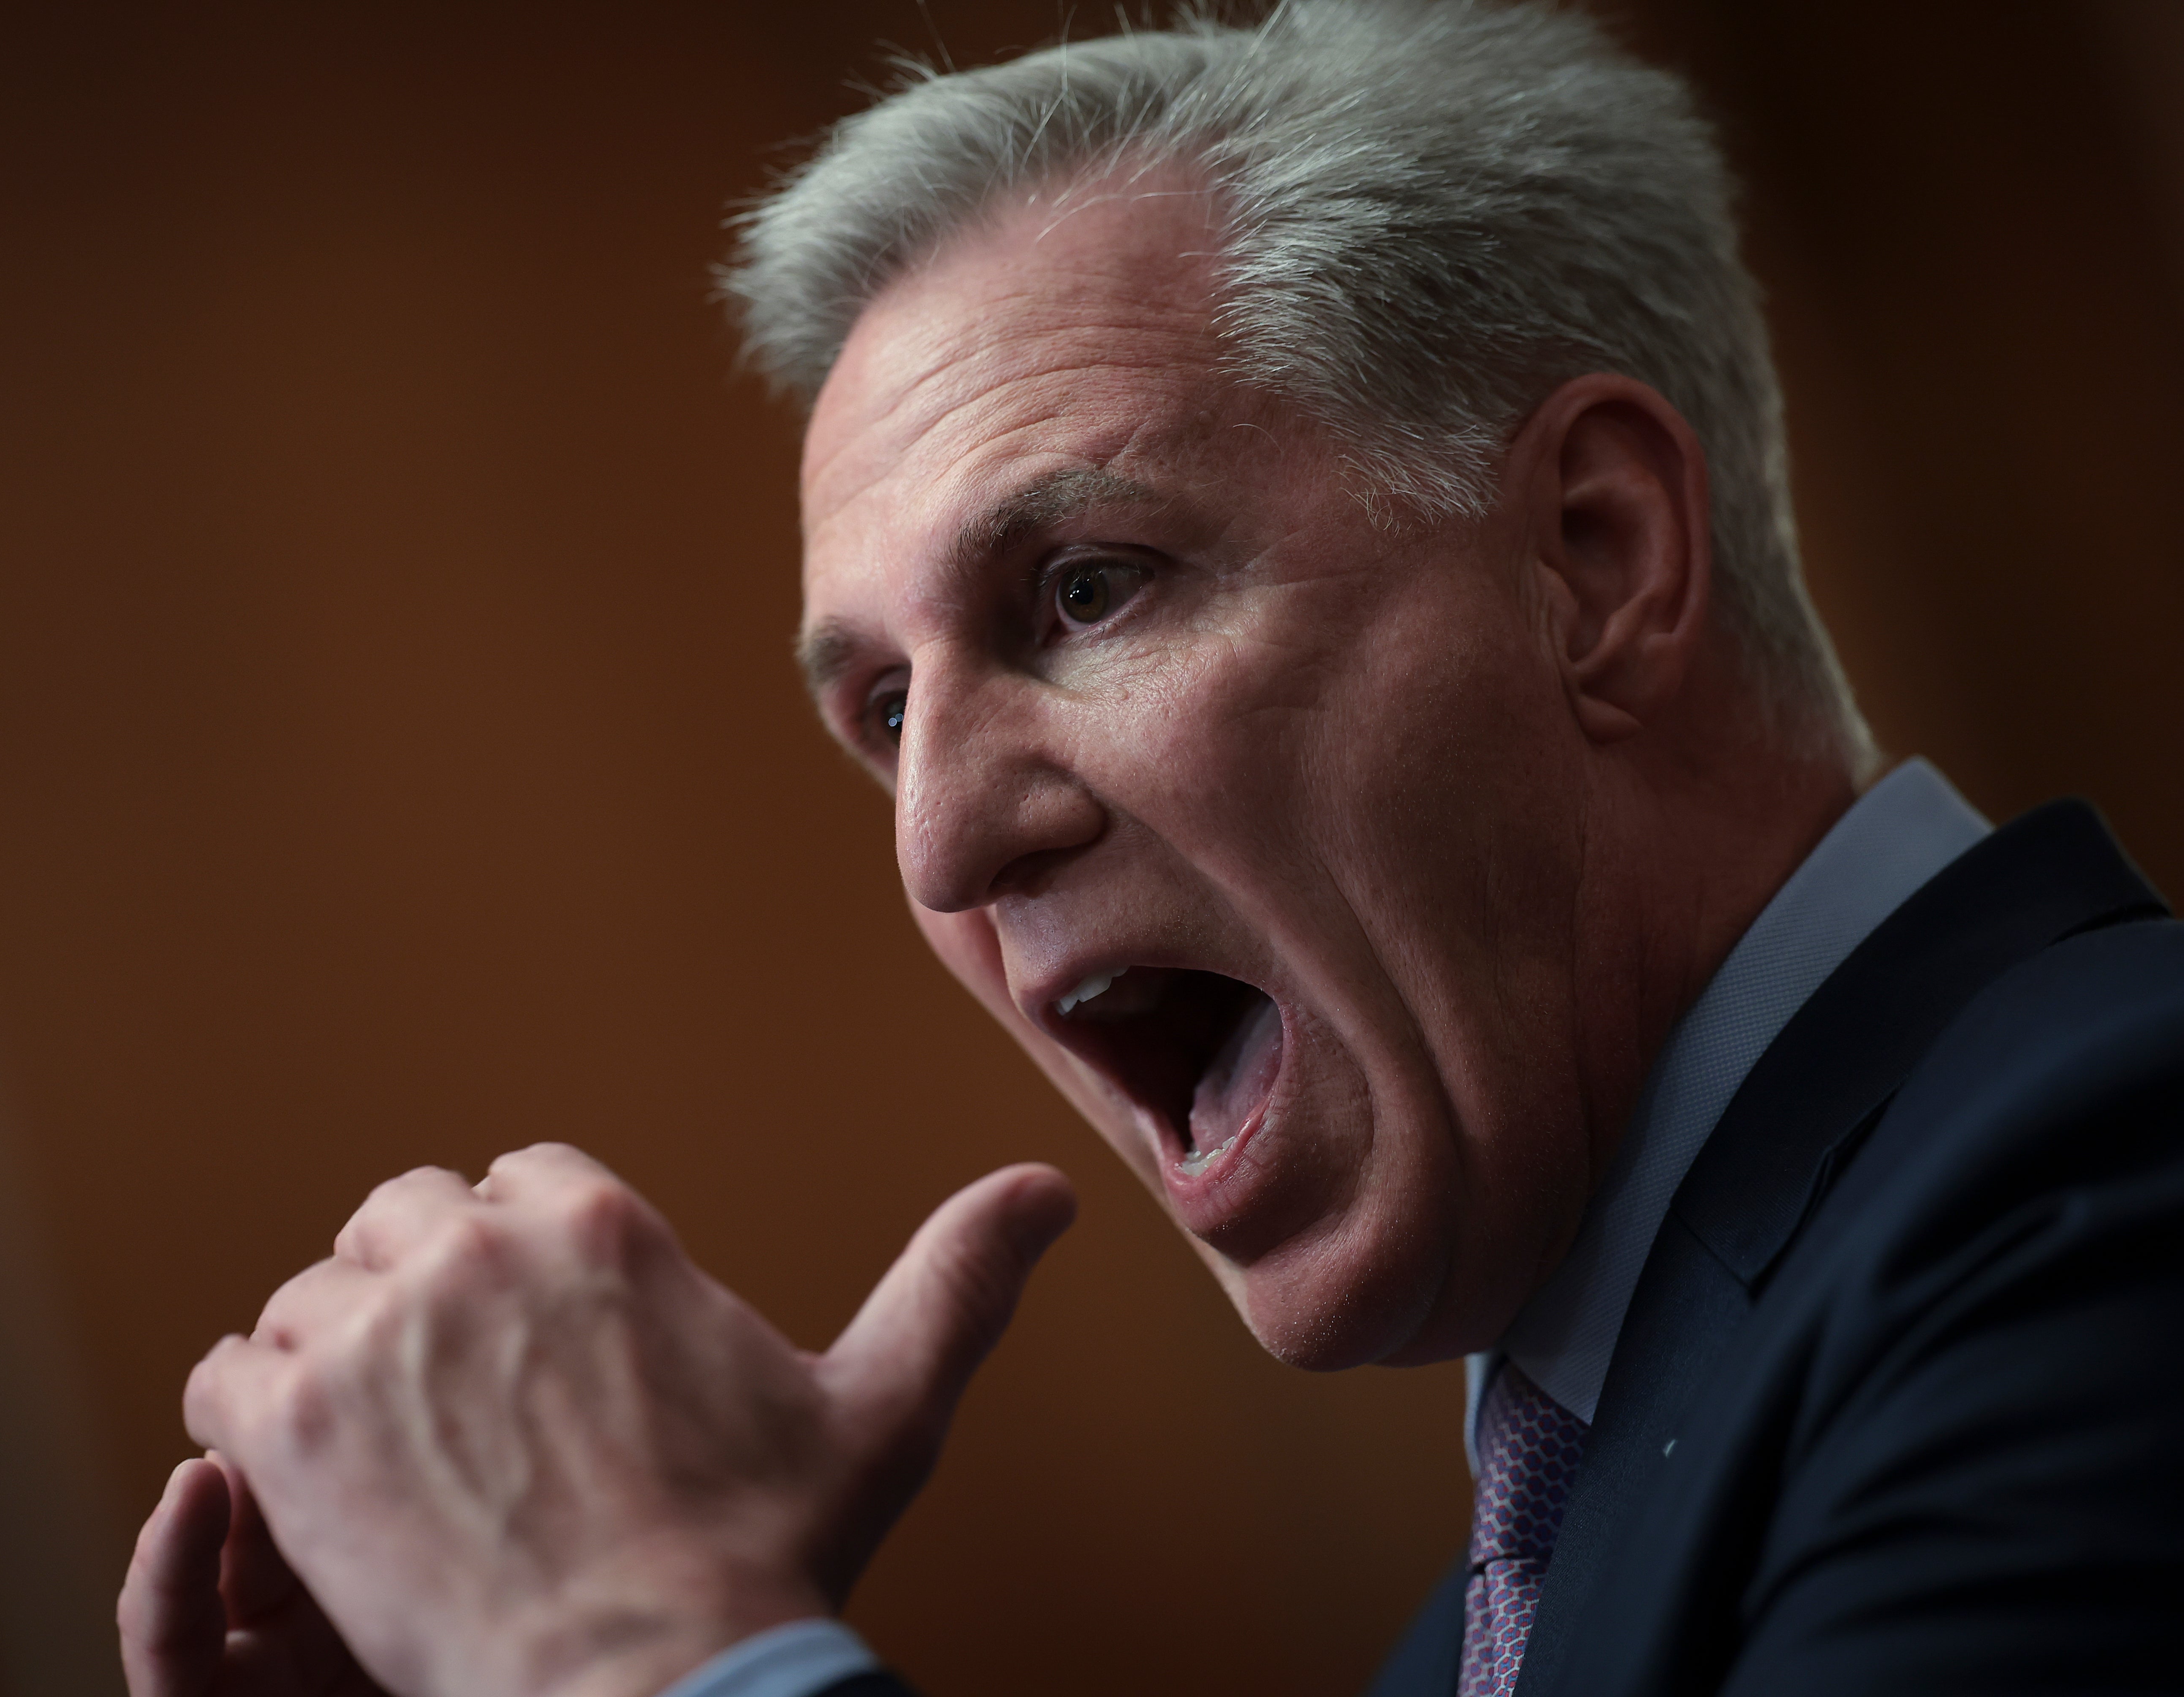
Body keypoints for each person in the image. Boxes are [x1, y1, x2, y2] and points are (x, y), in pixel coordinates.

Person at [116, 3, 2184, 1694]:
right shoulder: (1478, 1631)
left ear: (1595, 560)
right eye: (884, 710)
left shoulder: (2113, 1172)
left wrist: (635, 1648)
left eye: (1087, 589)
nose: (940, 841)